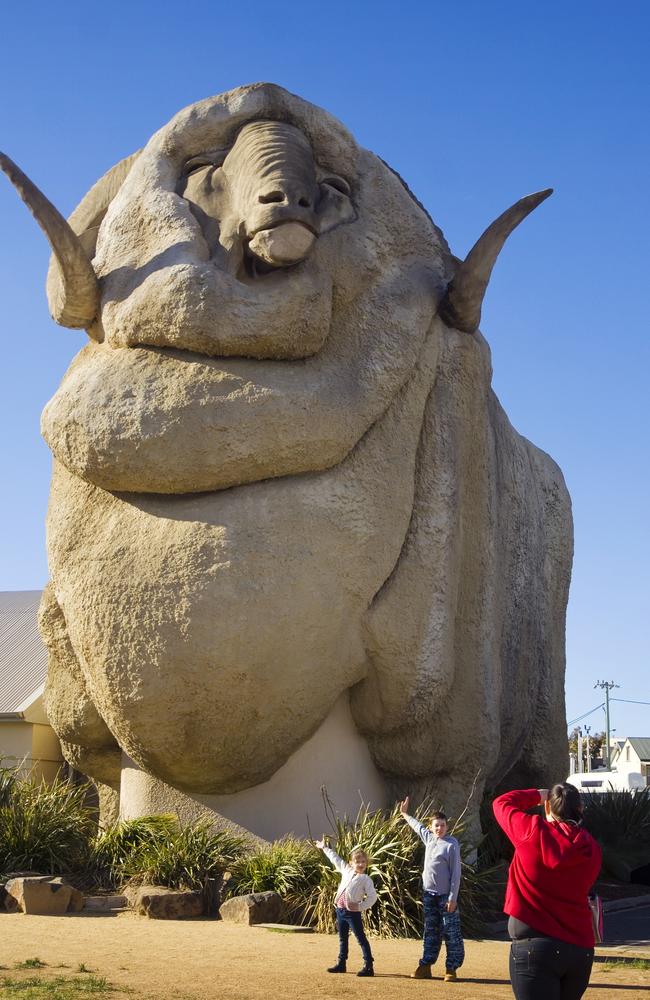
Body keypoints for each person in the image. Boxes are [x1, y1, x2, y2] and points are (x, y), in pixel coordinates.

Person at [493, 784, 602, 1000]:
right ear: (580, 808)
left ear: (548, 807)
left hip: (534, 945)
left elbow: (501, 803)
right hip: (579, 949)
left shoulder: (532, 830)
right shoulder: (591, 847)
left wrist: (538, 795)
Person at [399, 797, 465, 981]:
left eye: (442, 825)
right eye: (436, 825)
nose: (439, 828)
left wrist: (452, 897)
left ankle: (451, 968)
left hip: (446, 897)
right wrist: (404, 814)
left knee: (451, 932)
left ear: (447, 827)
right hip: (429, 896)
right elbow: (416, 826)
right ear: (432, 826)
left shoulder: (451, 844)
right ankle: (425, 966)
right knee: (431, 931)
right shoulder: (428, 838)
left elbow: (456, 874)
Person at [315, 838, 378, 977]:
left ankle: (368, 965)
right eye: (357, 862)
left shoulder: (366, 879)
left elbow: (373, 897)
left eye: (363, 862)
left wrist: (360, 906)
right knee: (342, 938)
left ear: (366, 864)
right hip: (340, 910)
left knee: (360, 938)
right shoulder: (347, 870)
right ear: (351, 863)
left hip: (352, 913)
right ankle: (341, 963)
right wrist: (325, 848)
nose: (360, 864)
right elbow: (335, 859)